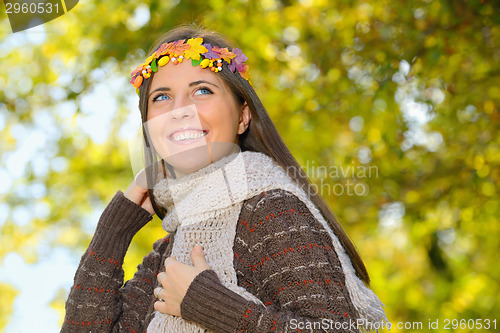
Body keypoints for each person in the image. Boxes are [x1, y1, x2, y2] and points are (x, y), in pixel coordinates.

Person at [61, 24, 389, 333]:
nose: (180, 110)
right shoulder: (169, 251)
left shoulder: (269, 208)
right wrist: (115, 228)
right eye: (161, 97)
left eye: (202, 90)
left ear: (243, 117)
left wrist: (207, 303)